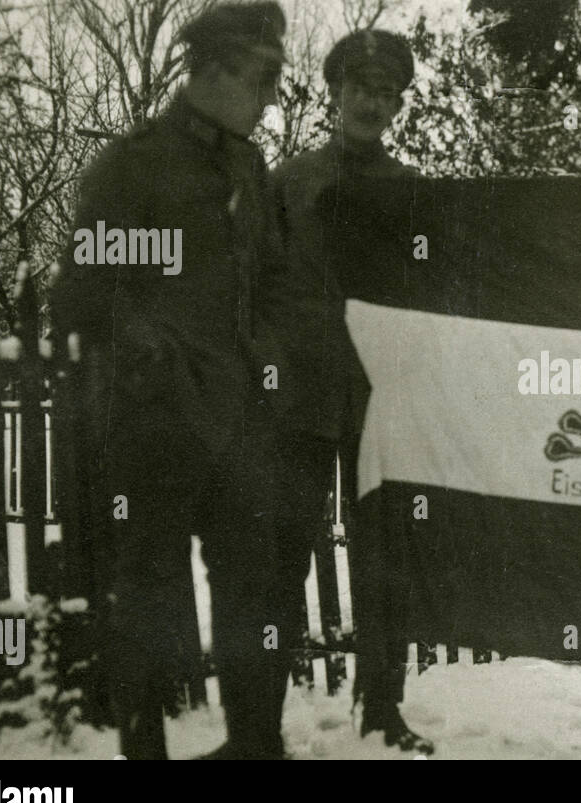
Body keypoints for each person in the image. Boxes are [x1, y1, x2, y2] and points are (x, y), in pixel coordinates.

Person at [52, 1, 296, 759]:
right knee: (149, 595)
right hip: (156, 422)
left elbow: (275, 280)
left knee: (252, 591)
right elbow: (80, 294)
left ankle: (252, 748)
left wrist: (271, 356)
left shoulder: (250, 168)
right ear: (212, 70)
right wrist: (149, 346)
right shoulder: (136, 163)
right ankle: (144, 750)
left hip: (239, 421)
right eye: (262, 77)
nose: (270, 96)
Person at [269, 29, 432, 754]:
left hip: (380, 401)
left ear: (398, 106)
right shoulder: (288, 182)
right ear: (336, 93)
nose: (372, 102)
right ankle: (258, 718)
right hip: (297, 400)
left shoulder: (410, 191)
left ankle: (383, 709)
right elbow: (254, 284)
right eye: (360, 88)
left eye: (387, 93)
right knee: (279, 556)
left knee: (384, 558)